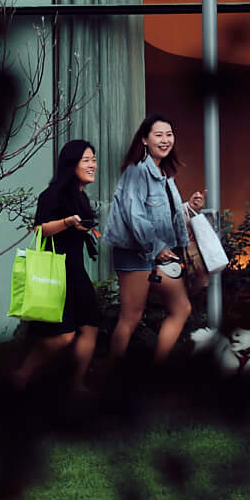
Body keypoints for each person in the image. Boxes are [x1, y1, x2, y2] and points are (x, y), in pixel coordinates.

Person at [103, 115, 205, 363]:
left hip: (160, 253)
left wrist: (189, 207)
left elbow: (163, 213)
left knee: (181, 308)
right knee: (131, 316)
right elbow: (134, 214)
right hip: (135, 252)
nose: (165, 139)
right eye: (158, 135)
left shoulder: (165, 174)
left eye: (169, 134)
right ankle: (109, 377)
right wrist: (157, 246)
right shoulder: (137, 171)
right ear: (145, 140)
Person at [14, 140, 107, 393]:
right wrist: (66, 222)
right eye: (86, 160)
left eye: (94, 160)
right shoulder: (52, 195)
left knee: (90, 327)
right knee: (63, 336)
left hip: (77, 271)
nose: (93, 165)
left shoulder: (81, 197)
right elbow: (39, 229)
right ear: (71, 163)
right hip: (56, 273)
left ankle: (76, 384)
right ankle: (21, 377)